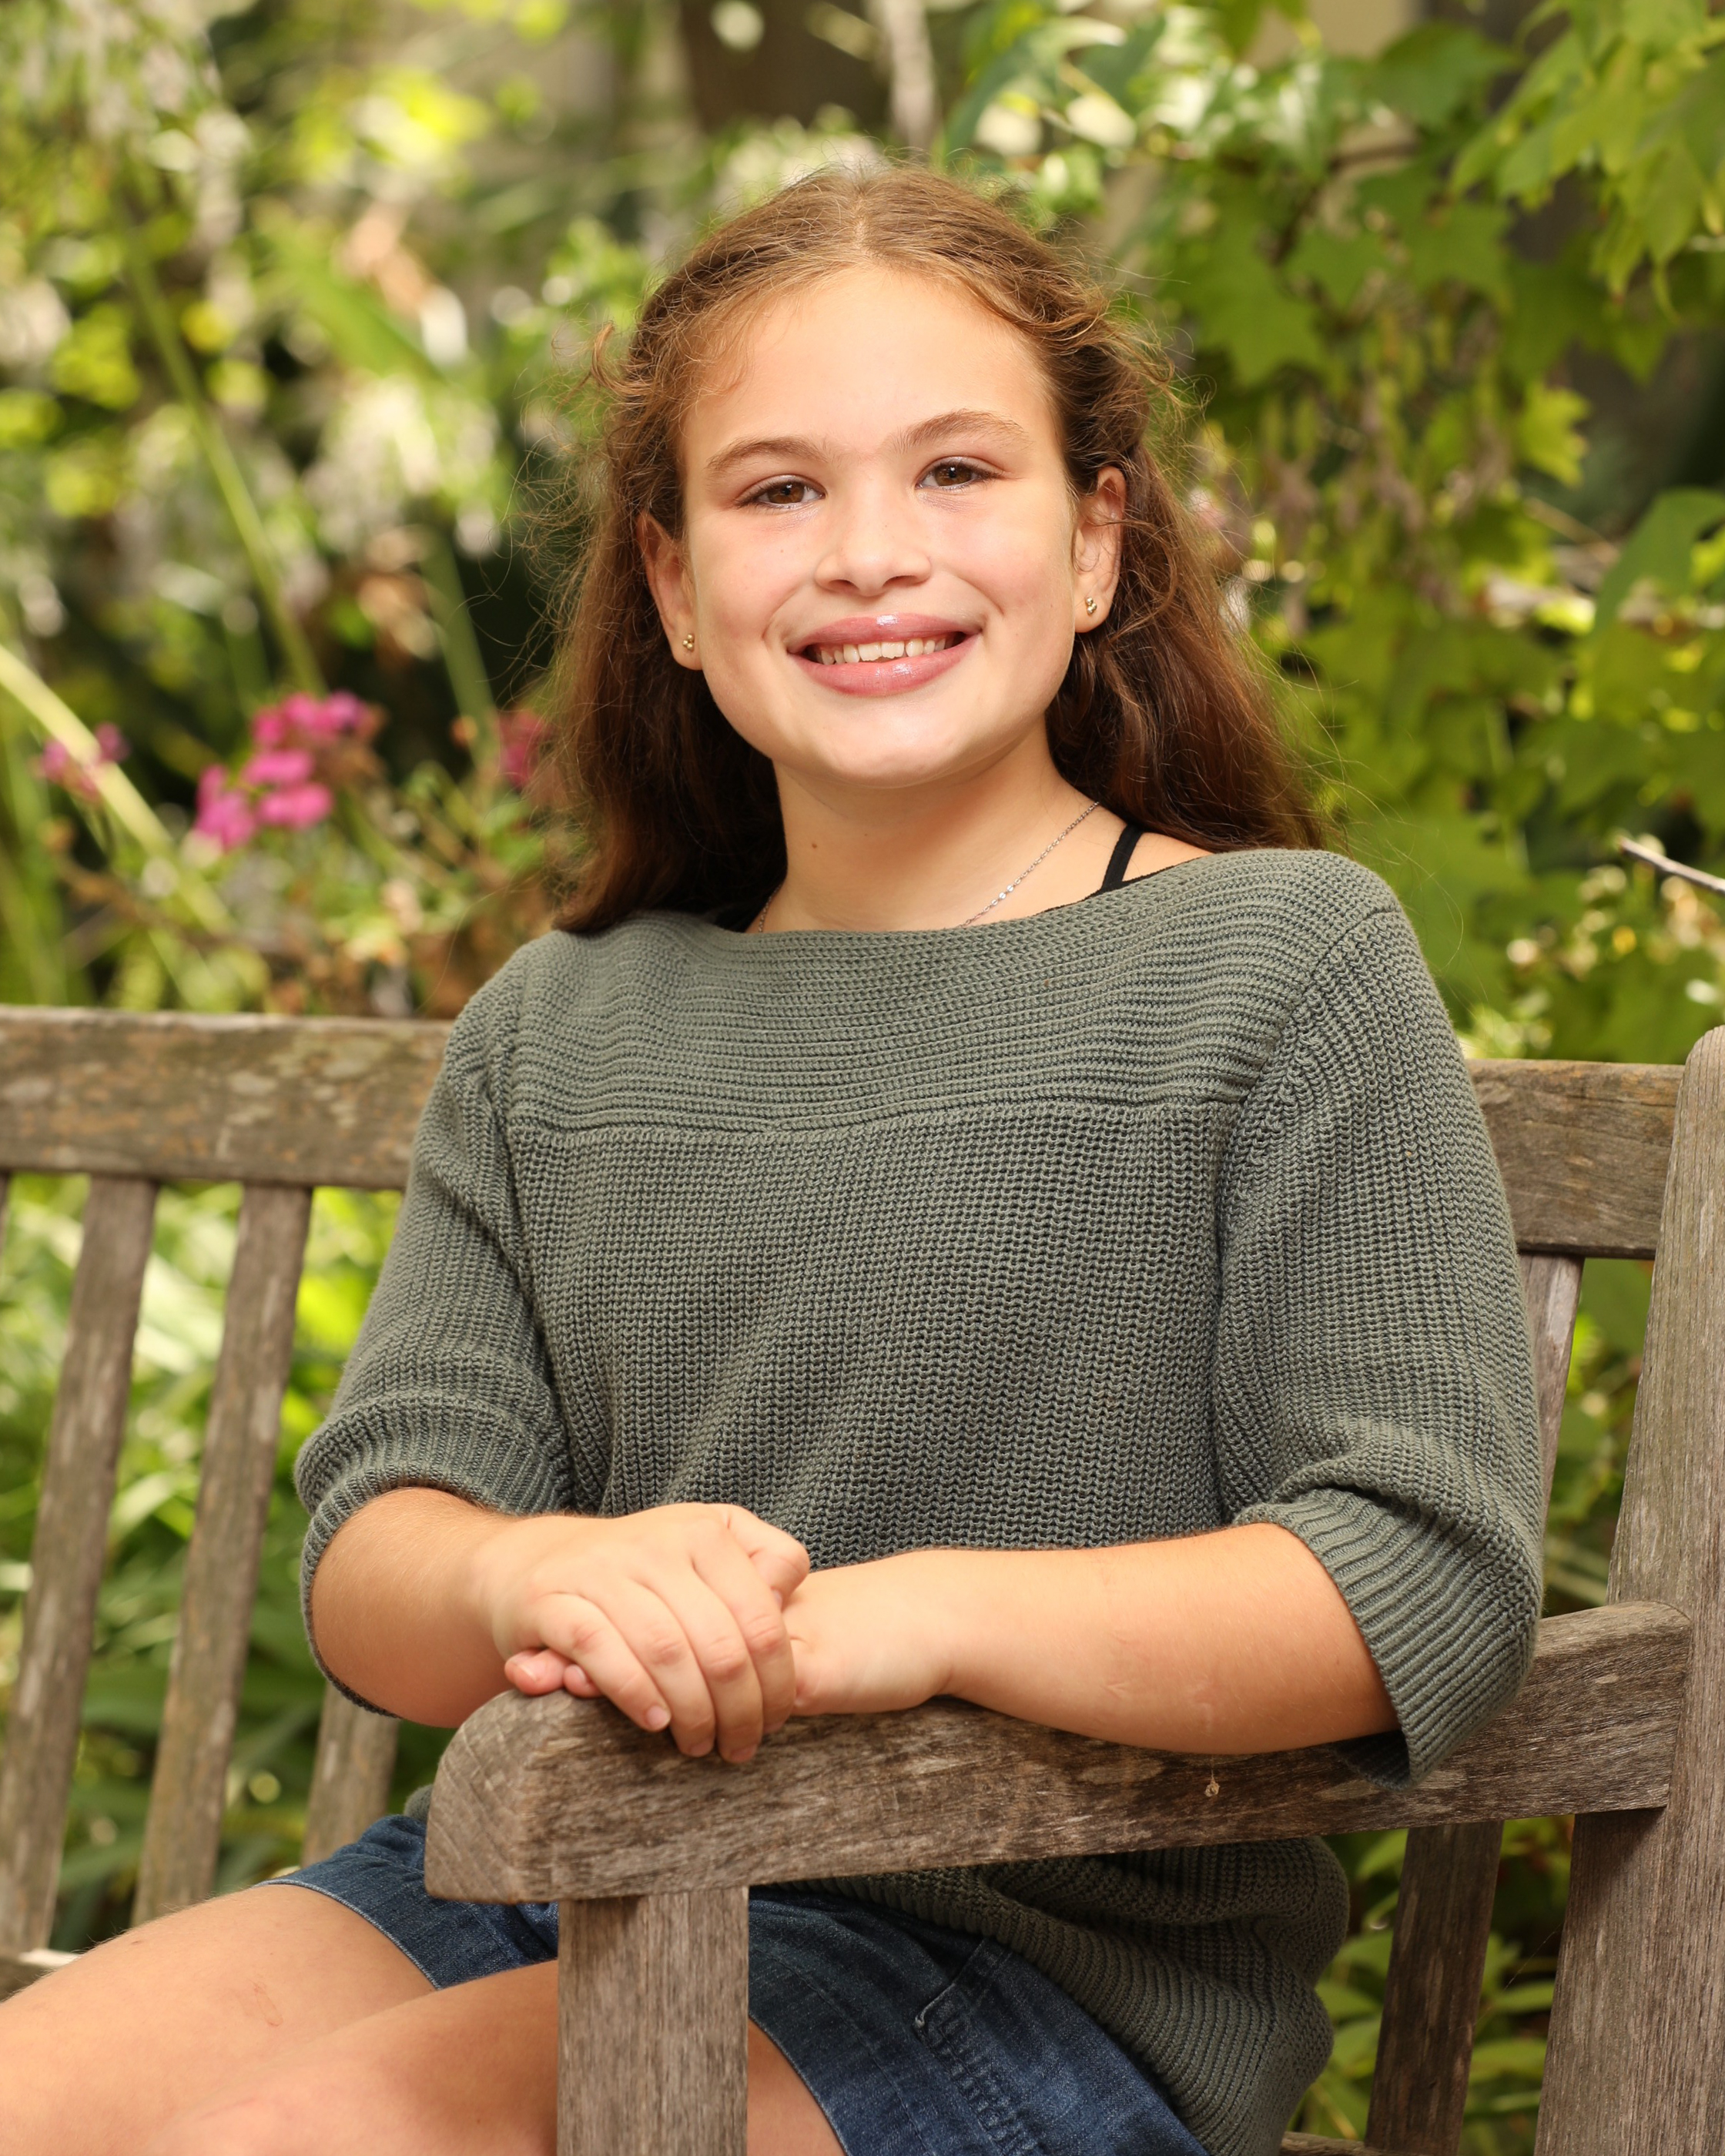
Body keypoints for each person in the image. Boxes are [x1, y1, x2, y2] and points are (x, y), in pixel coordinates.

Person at [0, 166, 1544, 2156]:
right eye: (779, 490)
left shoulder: (1280, 965)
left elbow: (1417, 1572)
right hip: (563, 1874)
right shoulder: (562, 1031)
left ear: (1096, 542)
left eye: (957, 471)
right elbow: (381, 1554)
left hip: (1021, 1973)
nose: (870, 555)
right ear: (670, 583)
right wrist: (531, 1568)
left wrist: (908, 1622)